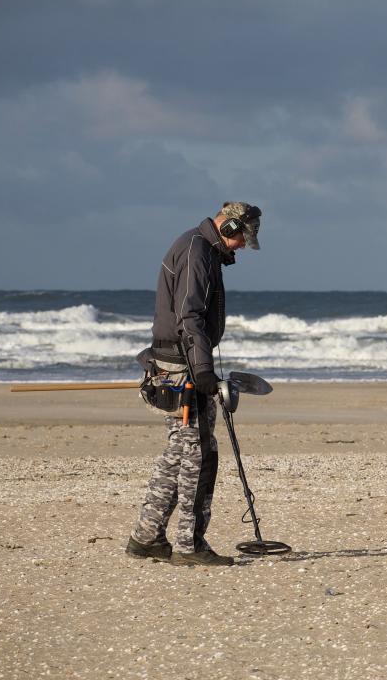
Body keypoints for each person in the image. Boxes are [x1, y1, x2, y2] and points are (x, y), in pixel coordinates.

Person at [126, 201, 262, 567]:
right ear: (229, 227)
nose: (241, 248)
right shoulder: (196, 251)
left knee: (179, 451)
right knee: (199, 454)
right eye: (241, 239)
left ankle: (147, 536)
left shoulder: (198, 247)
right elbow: (190, 317)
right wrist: (202, 371)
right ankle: (189, 545)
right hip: (181, 369)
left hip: (174, 363)